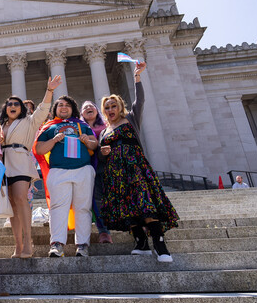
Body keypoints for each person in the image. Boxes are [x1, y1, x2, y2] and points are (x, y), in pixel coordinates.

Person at [99, 62, 179, 263]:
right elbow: (100, 156)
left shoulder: (131, 119)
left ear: (120, 107)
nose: (110, 109)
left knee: (146, 205)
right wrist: (103, 152)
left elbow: (140, 100)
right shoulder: (104, 131)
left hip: (135, 169)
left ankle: (160, 247)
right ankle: (141, 243)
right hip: (115, 173)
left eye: (113, 106)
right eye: (107, 107)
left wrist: (137, 78)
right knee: (126, 207)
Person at [0, 75, 61, 258]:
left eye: (16, 104)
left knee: (20, 198)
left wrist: (49, 90)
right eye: (9, 104)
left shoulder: (29, 121)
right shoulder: (1, 124)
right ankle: (18, 244)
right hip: (4, 163)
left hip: (21, 162)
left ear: (22, 108)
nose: (12, 106)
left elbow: (42, 110)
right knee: (12, 204)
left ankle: (28, 240)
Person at [34, 95, 98, 257]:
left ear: (72, 109)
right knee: (57, 208)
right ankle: (56, 244)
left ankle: (82, 244)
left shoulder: (82, 125)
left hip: (83, 169)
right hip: (58, 171)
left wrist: (86, 141)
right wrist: (54, 141)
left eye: (67, 105)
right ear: (55, 109)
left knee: (82, 208)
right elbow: (39, 150)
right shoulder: (49, 127)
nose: (63, 107)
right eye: (60, 105)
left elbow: (94, 144)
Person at [81, 101, 113, 244]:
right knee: (97, 199)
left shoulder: (108, 125)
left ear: (96, 110)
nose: (88, 108)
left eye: (91, 106)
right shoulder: (80, 128)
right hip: (90, 166)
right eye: (84, 107)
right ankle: (104, 231)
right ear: (81, 114)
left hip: (110, 165)